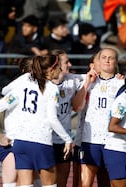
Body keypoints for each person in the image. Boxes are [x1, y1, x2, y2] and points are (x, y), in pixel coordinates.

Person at [0, 54, 73, 186]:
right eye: (59, 69)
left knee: (24, 184)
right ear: (51, 70)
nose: (61, 71)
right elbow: (52, 119)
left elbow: (3, 93)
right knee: (49, 184)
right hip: (41, 141)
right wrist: (67, 139)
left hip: (21, 141)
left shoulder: (24, 83)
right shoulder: (51, 88)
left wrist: (1, 132)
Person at [72, 47, 124, 187]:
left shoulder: (122, 84)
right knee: (84, 183)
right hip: (90, 140)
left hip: (111, 141)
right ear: (98, 62)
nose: (107, 60)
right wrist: (87, 83)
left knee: (106, 182)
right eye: (104, 57)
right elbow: (76, 106)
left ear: (116, 62)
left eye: (111, 58)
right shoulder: (89, 81)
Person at [0, 57, 34, 187]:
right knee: (11, 182)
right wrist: (0, 135)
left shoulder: (45, 91)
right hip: (12, 144)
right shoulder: (18, 91)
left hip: (32, 143)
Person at [50, 49, 84, 187]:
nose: (69, 64)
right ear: (56, 65)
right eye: (66, 62)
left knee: (61, 183)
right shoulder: (42, 84)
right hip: (45, 140)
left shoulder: (72, 80)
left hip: (64, 142)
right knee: (46, 182)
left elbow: (92, 76)